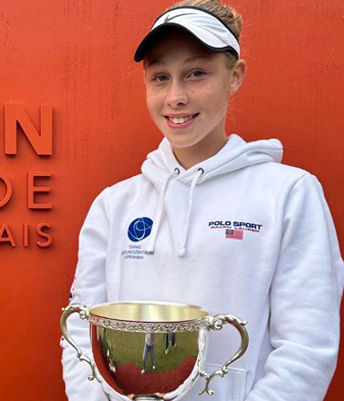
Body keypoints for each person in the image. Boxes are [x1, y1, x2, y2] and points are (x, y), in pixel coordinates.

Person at [60, 1, 344, 400]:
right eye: (160, 77)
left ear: (235, 76)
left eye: (196, 74)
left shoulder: (289, 194)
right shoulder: (114, 205)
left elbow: (307, 347)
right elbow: (81, 330)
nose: (176, 97)